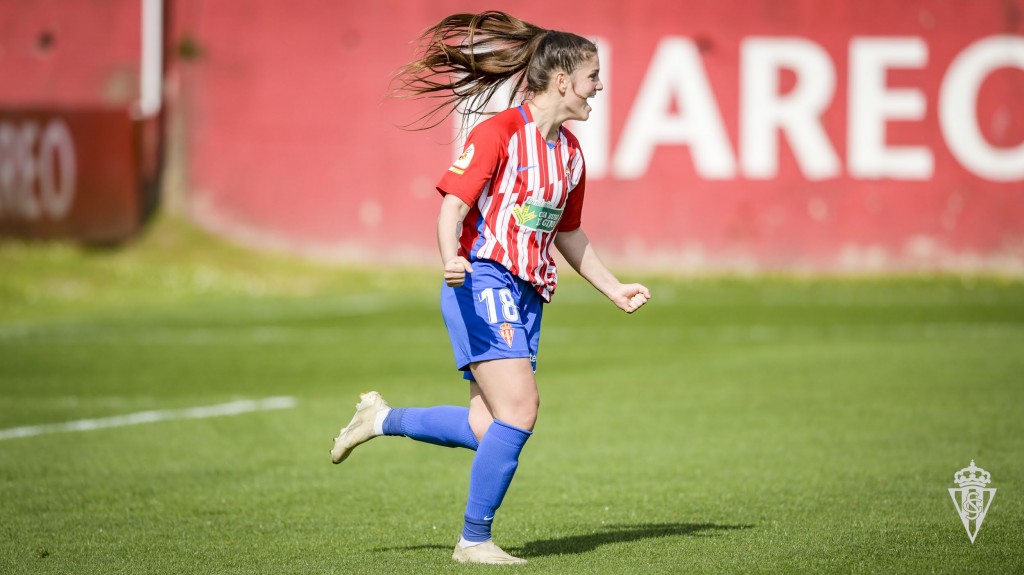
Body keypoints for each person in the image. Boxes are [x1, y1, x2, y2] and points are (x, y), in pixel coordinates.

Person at [330, 11, 651, 565]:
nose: (599, 86)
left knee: (488, 426)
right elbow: (452, 207)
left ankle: (380, 419)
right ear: (562, 81)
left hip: (528, 292)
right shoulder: (499, 132)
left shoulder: (570, 153)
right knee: (521, 409)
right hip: (482, 278)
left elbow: (568, 233)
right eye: (593, 76)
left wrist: (613, 288)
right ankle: (473, 540)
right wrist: (450, 257)